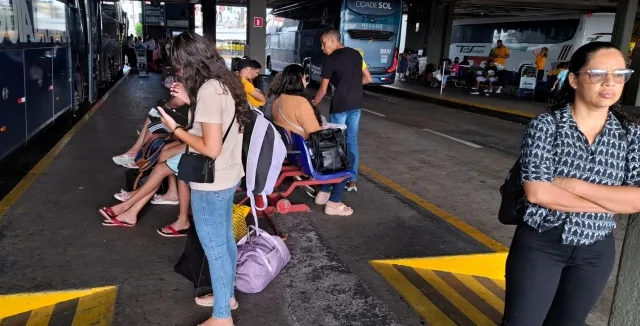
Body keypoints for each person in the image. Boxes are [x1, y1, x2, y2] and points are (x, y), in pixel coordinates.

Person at [502, 41, 638, 326]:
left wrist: (574, 185)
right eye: (598, 73)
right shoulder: (546, 126)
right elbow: (538, 193)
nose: (610, 83)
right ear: (574, 79)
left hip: (596, 251)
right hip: (542, 243)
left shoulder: (630, 135)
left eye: (619, 74)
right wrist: (610, 202)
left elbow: (636, 200)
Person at [157, 31, 249, 326]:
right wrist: (190, 103)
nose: (178, 71)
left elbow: (210, 147)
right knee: (225, 242)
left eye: (179, 65)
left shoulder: (209, 90)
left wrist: (174, 128)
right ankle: (228, 298)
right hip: (229, 176)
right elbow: (215, 130)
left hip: (212, 184)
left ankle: (222, 318)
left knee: (215, 249)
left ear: (191, 61)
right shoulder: (224, 84)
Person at [272, 64, 353, 215]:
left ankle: (323, 192)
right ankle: (334, 203)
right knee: (348, 156)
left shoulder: (278, 100)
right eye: (304, 77)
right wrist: (329, 128)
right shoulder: (300, 102)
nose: (305, 81)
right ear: (297, 80)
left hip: (291, 151)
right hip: (308, 156)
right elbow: (315, 133)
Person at [312, 28, 372, 193]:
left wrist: (312, 105)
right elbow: (368, 78)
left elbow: (323, 90)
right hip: (356, 104)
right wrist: (352, 86)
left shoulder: (331, 59)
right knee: (351, 141)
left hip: (340, 106)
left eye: (323, 44)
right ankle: (352, 180)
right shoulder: (356, 54)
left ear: (332, 40)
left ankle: (334, 180)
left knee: (335, 143)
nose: (323, 48)